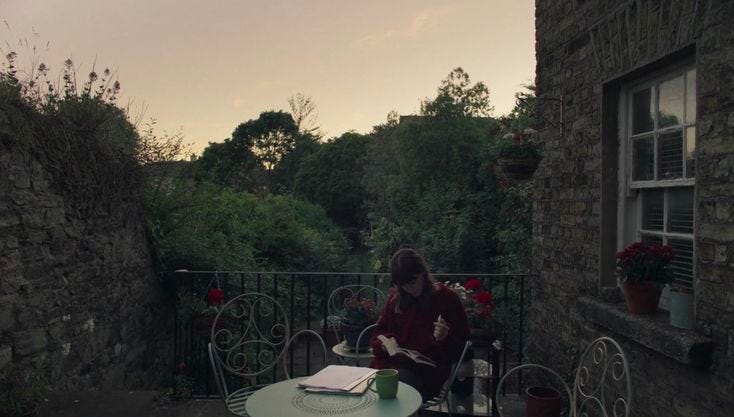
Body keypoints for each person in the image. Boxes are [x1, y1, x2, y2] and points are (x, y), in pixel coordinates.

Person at [369, 248, 470, 401]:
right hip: (391, 364)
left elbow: (464, 348)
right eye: (404, 285)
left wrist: (445, 337)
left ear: (423, 273)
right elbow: (378, 334)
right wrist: (385, 343)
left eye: (413, 281)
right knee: (367, 384)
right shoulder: (396, 299)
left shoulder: (446, 298)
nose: (410, 289)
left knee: (394, 386)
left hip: (427, 373)